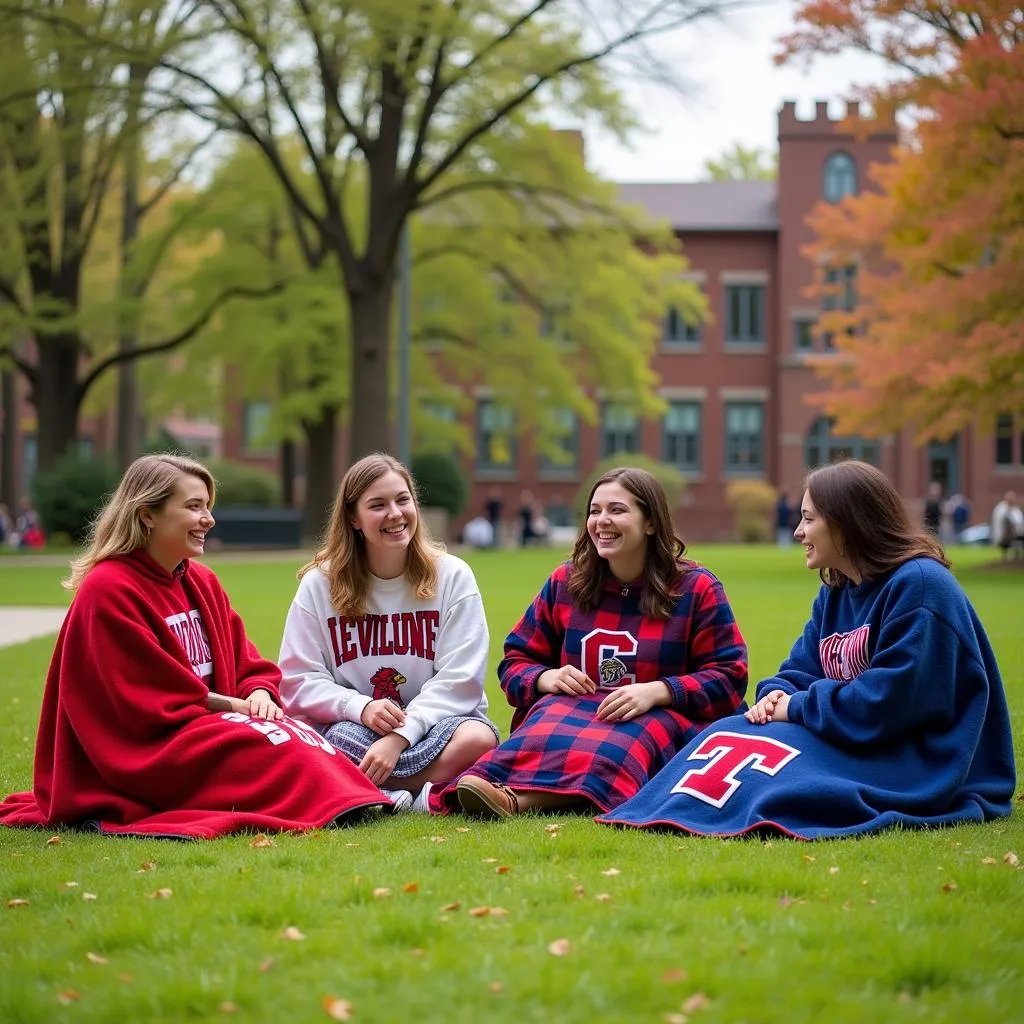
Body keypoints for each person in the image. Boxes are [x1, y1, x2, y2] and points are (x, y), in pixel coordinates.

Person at [598, 461, 1016, 840]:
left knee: (780, 782)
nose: (798, 532)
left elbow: (890, 702)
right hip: (842, 730)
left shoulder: (921, 587)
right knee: (726, 733)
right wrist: (774, 696)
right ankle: (661, 811)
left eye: (808, 519)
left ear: (847, 524)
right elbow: (799, 668)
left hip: (909, 756)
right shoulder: (837, 589)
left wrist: (795, 707)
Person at [0, 454, 387, 838]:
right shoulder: (108, 590)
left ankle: (360, 799)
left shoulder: (200, 581)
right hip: (152, 746)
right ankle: (345, 804)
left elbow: (246, 661)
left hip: (206, 722)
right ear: (148, 514)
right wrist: (239, 708)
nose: (208, 519)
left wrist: (259, 693)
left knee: (295, 733)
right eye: (193, 507)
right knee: (272, 743)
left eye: (208, 506)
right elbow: (146, 700)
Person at [428, 466, 749, 818]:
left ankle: (515, 801)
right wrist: (545, 678)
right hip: (575, 707)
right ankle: (485, 786)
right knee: (543, 728)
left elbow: (730, 677)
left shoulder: (696, 589)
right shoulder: (567, 582)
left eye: (617, 510)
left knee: (617, 746)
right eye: (595, 511)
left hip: (662, 715)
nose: (602, 521)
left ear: (651, 522)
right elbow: (514, 662)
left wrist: (658, 691)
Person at [278, 453, 499, 813]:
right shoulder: (320, 584)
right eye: (377, 505)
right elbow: (297, 680)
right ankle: (420, 796)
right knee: (312, 744)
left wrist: (400, 736)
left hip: (435, 725)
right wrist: (360, 707)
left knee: (478, 738)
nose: (395, 514)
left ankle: (372, 792)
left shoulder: (453, 576)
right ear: (353, 518)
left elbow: (460, 680)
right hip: (349, 729)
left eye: (402, 500)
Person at [991, 491, 1023, 561]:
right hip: (1006, 533)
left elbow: (1019, 521)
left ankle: (1016, 556)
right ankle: (1005, 556)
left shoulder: (1016, 510)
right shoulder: (1001, 509)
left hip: (1016, 532)